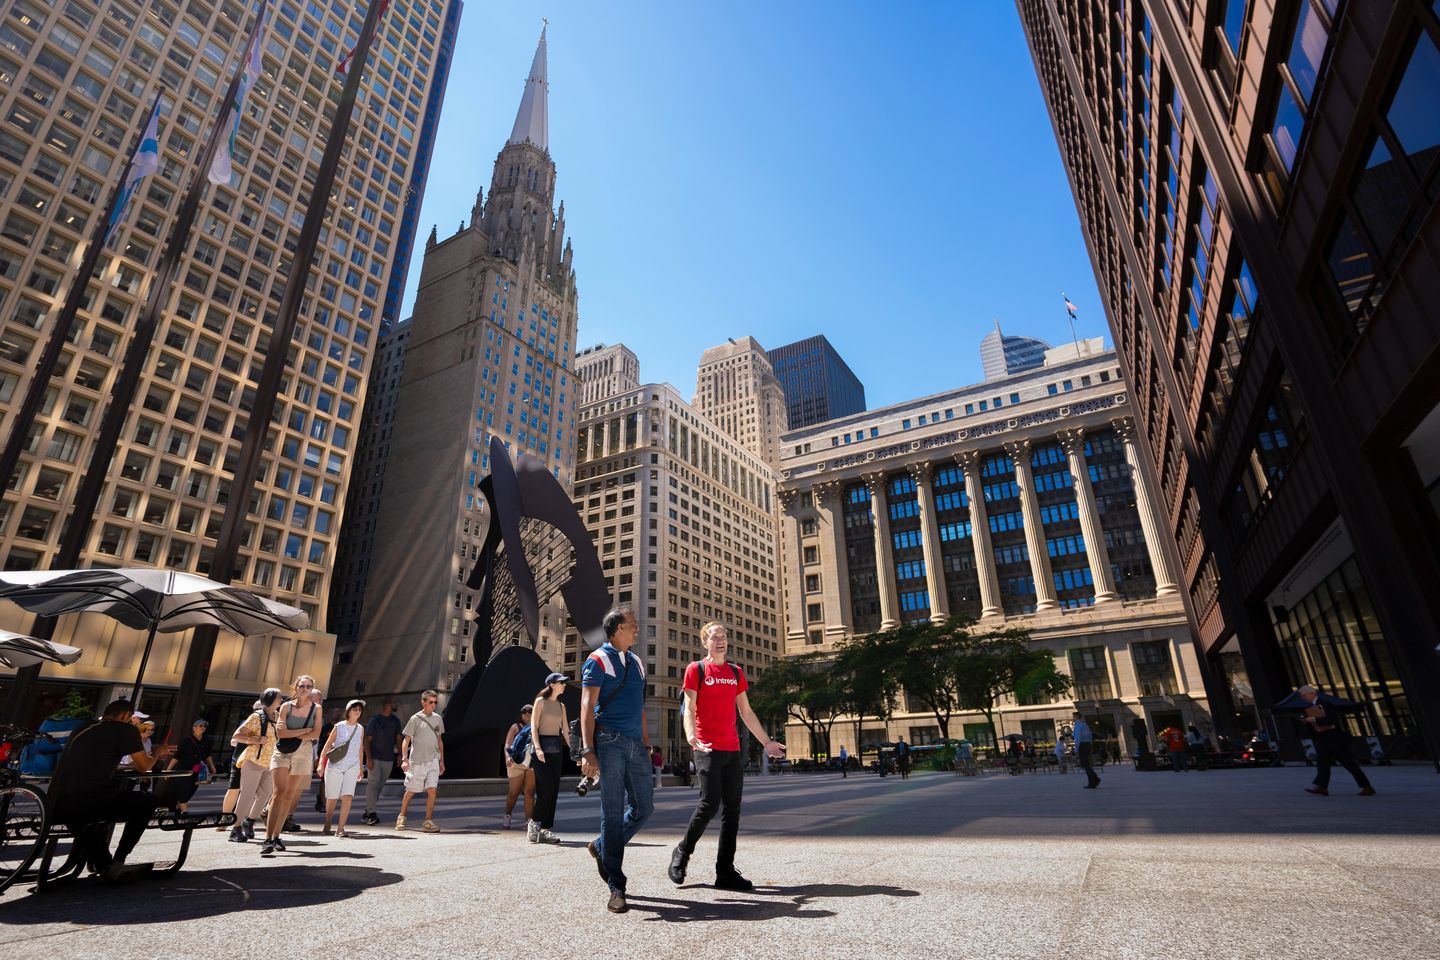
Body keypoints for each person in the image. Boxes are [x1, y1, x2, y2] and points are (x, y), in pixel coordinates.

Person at [669, 621, 786, 892]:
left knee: (732, 811)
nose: (720, 640)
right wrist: (691, 736)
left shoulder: (735, 672)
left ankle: (725, 872)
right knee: (709, 804)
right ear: (705, 642)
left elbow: (746, 712)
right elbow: (689, 708)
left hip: (732, 749)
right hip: (706, 748)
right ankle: (682, 853)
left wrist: (767, 743)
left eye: (723, 636)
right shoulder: (696, 669)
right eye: (714, 636)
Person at [48, 699, 175, 882]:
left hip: (56, 802)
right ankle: (118, 861)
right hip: (89, 801)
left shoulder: (84, 727)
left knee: (97, 813)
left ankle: (105, 864)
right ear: (125, 715)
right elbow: (144, 766)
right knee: (147, 802)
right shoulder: (125, 730)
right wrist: (157, 752)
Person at [579, 607, 653, 914]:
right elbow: (587, 705)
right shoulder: (597, 660)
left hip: (636, 746)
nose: (637, 630)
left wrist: (647, 745)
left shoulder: (636, 662)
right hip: (608, 742)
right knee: (611, 812)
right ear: (618, 629)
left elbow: (640, 708)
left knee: (644, 808)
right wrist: (587, 750)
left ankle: (601, 846)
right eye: (633, 626)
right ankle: (616, 886)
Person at [262, 675, 322, 856]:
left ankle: (277, 836)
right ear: (295, 688)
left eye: (308, 686)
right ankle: (267, 838)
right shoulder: (286, 707)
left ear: (312, 689)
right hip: (282, 752)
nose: (305, 689)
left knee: (288, 796)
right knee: (278, 793)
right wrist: (305, 730)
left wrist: (293, 732)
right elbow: (281, 733)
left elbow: (316, 734)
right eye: (302, 686)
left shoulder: (316, 709)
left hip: (303, 754)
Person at [1298, 685, 1375, 796]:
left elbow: (1332, 719)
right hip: (1323, 739)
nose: (1303, 698)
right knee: (1322, 763)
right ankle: (1322, 787)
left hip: (1334, 739)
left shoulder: (1324, 703)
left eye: (1304, 695)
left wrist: (1314, 719)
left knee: (1349, 763)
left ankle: (1366, 786)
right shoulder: (1312, 706)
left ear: (1311, 693)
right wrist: (1308, 721)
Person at [228, 688, 281, 843]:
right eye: (279, 698)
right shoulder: (256, 716)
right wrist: (256, 740)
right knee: (247, 794)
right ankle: (235, 828)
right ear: (270, 699)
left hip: (270, 763)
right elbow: (237, 735)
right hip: (253, 761)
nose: (281, 701)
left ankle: (249, 821)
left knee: (265, 795)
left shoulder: (278, 716)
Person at [528, 673, 570, 844]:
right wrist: (537, 747)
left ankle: (546, 829)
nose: (564, 685)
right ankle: (533, 823)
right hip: (541, 750)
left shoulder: (562, 706)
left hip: (556, 750)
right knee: (545, 789)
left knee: (553, 791)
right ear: (552, 684)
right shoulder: (540, 702)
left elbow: (566, 731)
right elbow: (533, 726)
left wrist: (576, 752)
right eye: (562, 683)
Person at [397, 690, 445, 832]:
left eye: (435, 702)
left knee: (432, 790)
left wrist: (442, 761)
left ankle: (428, 822)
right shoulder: (415, 718)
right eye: (430, 702)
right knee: (411, 791)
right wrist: (404, 759)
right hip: (417, 761)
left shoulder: (438, 719)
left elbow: (440, 741)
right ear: (423, 702)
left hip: (433, 760)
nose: (433, 705)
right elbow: (406, 740)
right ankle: (401, 816)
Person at [319, 699, 366, 836]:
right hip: (336, 765)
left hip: (353, 765)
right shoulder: (339, 726)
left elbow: (360, 748)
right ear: (348, 711)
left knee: (348, 796)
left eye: (359, 709)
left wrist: (360, 768)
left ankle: (340, 828)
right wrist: (321, 762)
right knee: (332, 797)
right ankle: (327, 824)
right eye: (355, 709)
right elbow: (327, 746)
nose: (358, 712)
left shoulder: (361, 728)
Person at [361, 697, 403, 826]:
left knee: (380, 785)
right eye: (395, 702)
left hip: (388, 758)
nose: (396, 704)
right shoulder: (375, 720)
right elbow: (367, 740)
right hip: (374, 757)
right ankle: (370, 812)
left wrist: (401, 755)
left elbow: (398, 738)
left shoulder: (396, 721)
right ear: (388, 704)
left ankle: (369, 810)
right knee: (373, 784)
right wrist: (368, 758)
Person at [164, 719, 216, 811]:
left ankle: (179, 807)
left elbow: (208, 754)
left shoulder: (207, 740)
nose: (203, 728)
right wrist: (168, 770)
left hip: (198, 771)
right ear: (194, 728)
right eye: (200, 726)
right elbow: (177, 756)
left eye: (204, 726)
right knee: (185, 789)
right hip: (184, 770)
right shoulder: (186, 740)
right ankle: (184, 812)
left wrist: (212, 766)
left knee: (192, 790)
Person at [501, 704, 536, 829]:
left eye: (530, 711)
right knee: (513, 793)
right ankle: (508, 815)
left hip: (532, 764)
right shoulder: (515, 727)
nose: (527, 714)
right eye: (524, 712)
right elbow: (507, 744)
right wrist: (507, 757)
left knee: (529, 793)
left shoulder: (537, 726)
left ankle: (529, 821)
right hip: (516, 764)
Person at [1073, 713, 1100, 788]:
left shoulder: (1078, 725)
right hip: (1087, 744)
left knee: (1085, 764)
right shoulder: (1084, 724)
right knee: (1087, 763)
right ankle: (1094, 780)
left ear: (1076, 717)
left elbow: (1078, 738)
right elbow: (1090, 735)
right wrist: (1090, 744)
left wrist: (1076, 749)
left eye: (1073, 717)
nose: (1073, 718)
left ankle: (1094, 780)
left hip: (1082, 745)